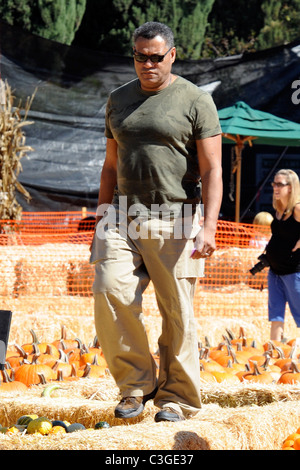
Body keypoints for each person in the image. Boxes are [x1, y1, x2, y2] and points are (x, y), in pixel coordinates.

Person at [90, 22, 222, 422]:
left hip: (177, 217)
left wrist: (210, 226)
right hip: (122, 215)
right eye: (139, 56)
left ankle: (177, 399)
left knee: (177, 312)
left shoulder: (195, 100)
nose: (147, 64)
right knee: (108, 291)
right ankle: (136, 387)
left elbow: (214, 168)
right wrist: (100, 219)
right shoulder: (118, 100)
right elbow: (110, 167)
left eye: (156, 57)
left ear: (172, 55)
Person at [264, 169, 300, 341]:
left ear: (291, 187)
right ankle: (272, 353)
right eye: (274, 184)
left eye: (280, 184)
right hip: (275, 271)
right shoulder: (279, 210)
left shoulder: (297, 209)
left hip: (294, 272)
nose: (275, 188)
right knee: (275, 316)